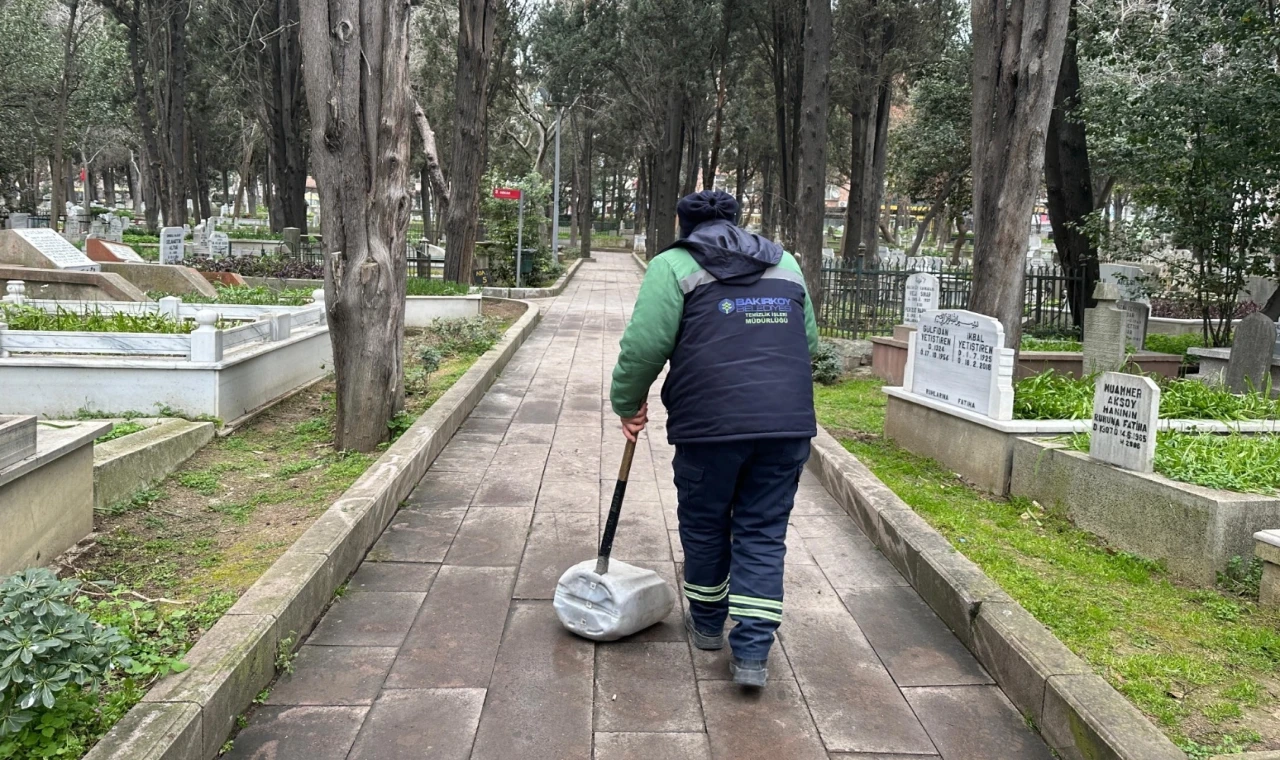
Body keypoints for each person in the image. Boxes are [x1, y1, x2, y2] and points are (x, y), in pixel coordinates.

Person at [610, 190, 819, 687]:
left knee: (705, 524)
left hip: (709, 428)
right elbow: (807, 341)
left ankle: (707, 625)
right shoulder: (785, 263)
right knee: (763, 531)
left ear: (684, 225)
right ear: (737, 221)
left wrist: (627, 403)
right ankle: (752, 654)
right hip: (785, 425)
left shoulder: (673, 265)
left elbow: (644, 347)